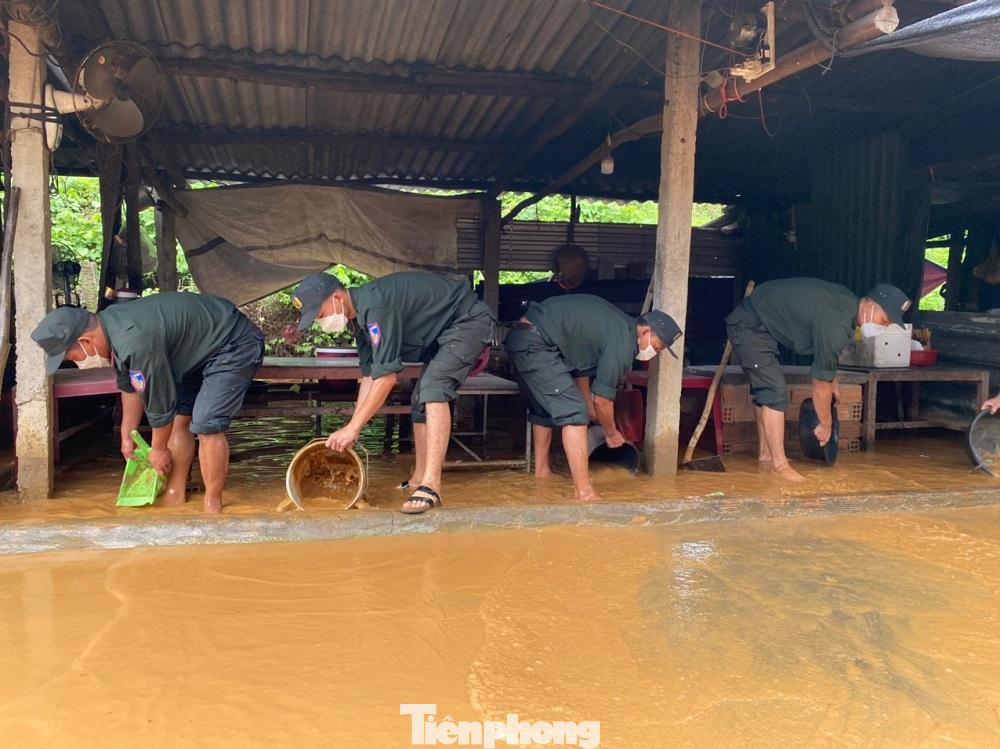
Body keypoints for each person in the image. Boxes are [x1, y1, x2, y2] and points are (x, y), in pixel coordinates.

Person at [30, 293, 264, 513]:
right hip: (196, 350)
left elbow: (160, 405)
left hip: (233, 343)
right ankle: (175, 495)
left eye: (71, 357)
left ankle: (213, 506)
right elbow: (131, 385)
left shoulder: (134, 341)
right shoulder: (112, 328)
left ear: (86, 342)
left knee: (205, 423)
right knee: (181, 418)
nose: (76, 363)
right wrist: (127, 434)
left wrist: (158, 448)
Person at [292, 271, 494, 514]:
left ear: (337, 297)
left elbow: (387, 379)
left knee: (433, 388)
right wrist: (352, 427)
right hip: (444, 330)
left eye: (319, 313)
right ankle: (419, 477)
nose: (320, 321)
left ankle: (432, 484)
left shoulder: (377, 309)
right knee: (419, 401)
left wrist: (354, 427)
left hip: (468, 321)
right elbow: (370, 377)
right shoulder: (359, 321)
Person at [726, 278, 911, 482]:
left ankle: (766, 456)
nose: (882, 328)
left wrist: (834, 381)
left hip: (762, 325)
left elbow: (826, 356)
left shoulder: (846, 304)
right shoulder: (837, 322)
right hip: (749, 326)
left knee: (765, 392)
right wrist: (826, 424)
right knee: (774, 390)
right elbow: (819, 383)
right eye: (884, 321)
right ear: (870, 305)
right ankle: (779, 465)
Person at [504, 294, 681, 502]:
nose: (655, 352)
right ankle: (584, 492)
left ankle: (542, 474)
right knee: (574, 413)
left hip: (523, 338)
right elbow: (602, 400)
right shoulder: (623, 343)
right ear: (645, 331)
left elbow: (582, 371)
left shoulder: (617, 325)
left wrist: (589, 409)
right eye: (658, 347)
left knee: (545, 410)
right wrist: (611, 432)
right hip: (536, 344)